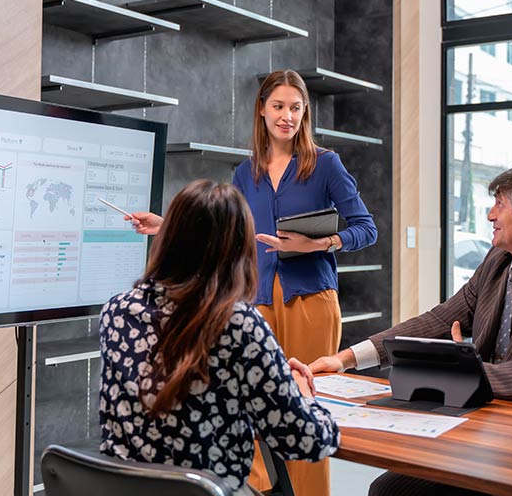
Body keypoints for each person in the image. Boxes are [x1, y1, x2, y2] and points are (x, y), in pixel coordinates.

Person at [127, 69, 377, 495]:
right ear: (262, 110)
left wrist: (320, 244)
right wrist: (166, 224)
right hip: (255, 301)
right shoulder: (247, 173)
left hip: (311, 299)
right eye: (279, 107)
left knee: (303, 406)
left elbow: (365, 229)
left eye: (296, 108)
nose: (288, 116)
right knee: (251, 406)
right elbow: (222, 228)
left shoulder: (325, 164)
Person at [310, 161, 512, 496]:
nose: (490, 215)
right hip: (485, 428)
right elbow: (438, 321)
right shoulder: (497, 262)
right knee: (388, 489)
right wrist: (348, 358)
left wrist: (460, 366)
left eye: (500, 204)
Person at [99, 180, 340, 496]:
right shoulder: (237, 323)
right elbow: (307, 441)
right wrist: (304, 395)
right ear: (238, 250)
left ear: (167, 239)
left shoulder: (116, 311)